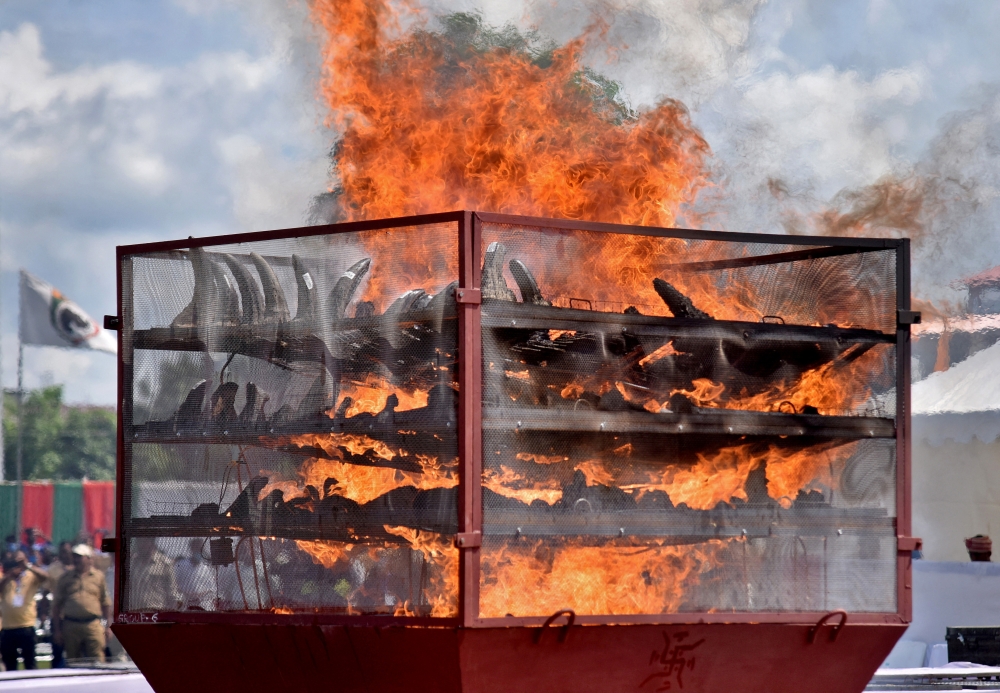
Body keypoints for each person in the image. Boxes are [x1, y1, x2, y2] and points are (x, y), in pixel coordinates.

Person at [52, 545, 111, 663]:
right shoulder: (65, 578)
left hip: (93, 624)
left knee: (98, 661)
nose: (76, 559)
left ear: (89, 559)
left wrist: (108, 626)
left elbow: (105, 602)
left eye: (79, 557)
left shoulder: (98, 577)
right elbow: (57, 605)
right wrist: (57, 630)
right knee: (73, 661)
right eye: (74, 557)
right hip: (70, 624)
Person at [0, 551, 48, 670]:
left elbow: (45, 577)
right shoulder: (6, 579)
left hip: (26, 625)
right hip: (8, 627)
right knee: (9, 664)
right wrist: (9, 575)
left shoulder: (30, 576)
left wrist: (27, 565)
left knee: (30, 662)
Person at [129, 538, 180, 611]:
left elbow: (172, 592)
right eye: (139, 542)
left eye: (145, 541)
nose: (141, 545)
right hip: (135, 614)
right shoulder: (131, 562)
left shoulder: (165, 563)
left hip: (156, 613)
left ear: (151, 543)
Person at [45, 542, 74, 667]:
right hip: (58, 615)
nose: (65, 555)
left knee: (74, 652)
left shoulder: (78, 569)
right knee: (57, 650)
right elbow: (46, 592)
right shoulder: (53, 569)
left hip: (73, 616)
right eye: (62, 552)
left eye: (67, 552)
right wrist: (43, 613)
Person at [175, 538, 214, 610]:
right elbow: (175, 584)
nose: (198, 550)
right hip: (185, 604)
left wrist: (200, 595)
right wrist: (189, 595)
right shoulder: (180, 564)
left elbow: (211, 588)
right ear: (191, 548)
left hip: (203, 606)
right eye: (196, 548)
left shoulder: (207, 567)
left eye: (200, 548)